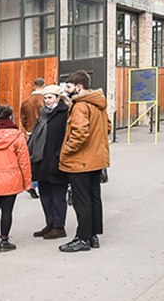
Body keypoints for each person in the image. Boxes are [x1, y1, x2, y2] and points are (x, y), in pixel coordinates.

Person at [58, 70, 110, 253]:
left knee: (81, 200)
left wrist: (66, 150)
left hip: (80, 161)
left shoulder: (80, 105)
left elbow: (79, 133)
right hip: (96, 160)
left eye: (69, 87)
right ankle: (93, 235)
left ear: (79, 87)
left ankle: (82, 238)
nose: (66, 90)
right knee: (94, 197)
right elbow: (108, 127)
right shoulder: (98, 103)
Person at [0, 104, 33, 252]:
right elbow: (24, 161)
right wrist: (27, 183)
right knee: (7, 211)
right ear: (10, 117)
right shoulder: (17, 136)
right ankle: (4, 240)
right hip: (11, 178)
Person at [29, 84, 69, 240]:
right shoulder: (43, 114)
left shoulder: (64, 113)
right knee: (45, 195)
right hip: (41, 161)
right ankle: (50, 223)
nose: (47, 100)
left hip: (57, 161)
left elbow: (67, 137)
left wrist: (59, 155)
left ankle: (59, 226)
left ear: (58, 98)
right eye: (45, 98)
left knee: (58, 196)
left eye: (50, 97)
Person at [20, 77, 46, 199]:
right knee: (43, 158)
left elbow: (23, 119)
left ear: (34, 86)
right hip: (44, 133)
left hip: (30, 132)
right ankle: (41, 184)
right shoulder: (45, 100)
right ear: (44, 85)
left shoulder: (26, 102)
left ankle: (33, 184)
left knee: (32, 159)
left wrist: (28, 129)